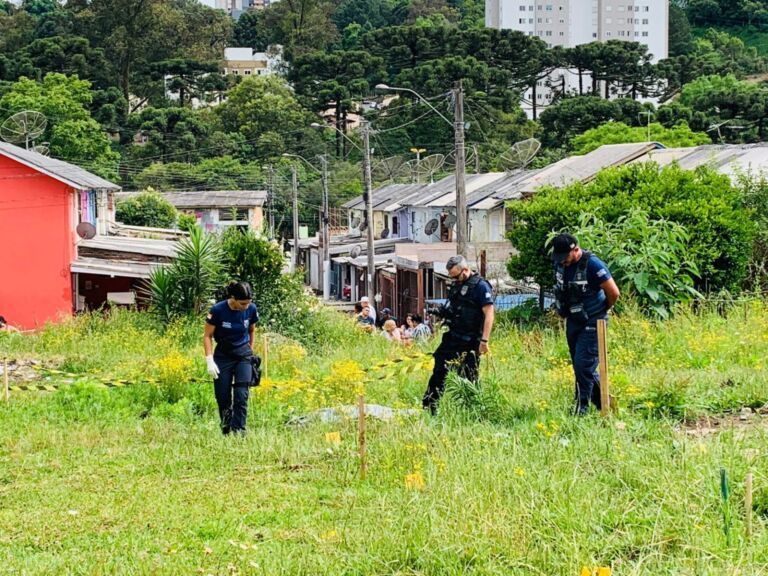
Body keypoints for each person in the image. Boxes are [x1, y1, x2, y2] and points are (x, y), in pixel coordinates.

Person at [551, 233, 620, 415]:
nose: (562, 262)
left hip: (593, 320)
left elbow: (614, 292)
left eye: (565, 257)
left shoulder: (593, 265)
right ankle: (603, 403)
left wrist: (602, 309)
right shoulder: (560, 262)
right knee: (579, 365)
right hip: (573, 320)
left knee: (584, 364)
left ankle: (582, 408)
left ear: (575, 250)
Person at [423, 255, 495, 414]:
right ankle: (429, 406)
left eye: (456, 276)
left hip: (471, 340)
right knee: (439, 368)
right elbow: (454, 310)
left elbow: (489, 314)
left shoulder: (481, 287)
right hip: (454, 336)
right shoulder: (456, 286)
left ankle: (475, 411)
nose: (454, 280)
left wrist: (484, 341)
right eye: (452, 277)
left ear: (465, 270)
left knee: (469, 376)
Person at [203, 281, 259, 435]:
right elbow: (207, 336)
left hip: (243, 355)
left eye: (248, 303)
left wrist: (250, 349)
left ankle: (239, 431)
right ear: (233, 298)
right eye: (242, 303)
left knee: (241, 395)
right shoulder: (218, 310)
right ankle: (226, 429)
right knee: (223, 396)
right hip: (223, 355)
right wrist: (209, 360)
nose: (246, 306)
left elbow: (252, 330)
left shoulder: (251, 309)